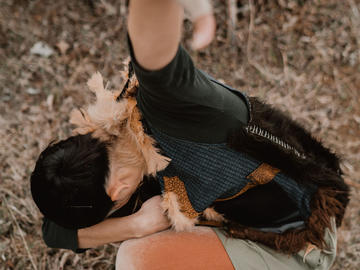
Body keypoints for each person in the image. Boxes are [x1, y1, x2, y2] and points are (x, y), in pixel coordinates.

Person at [30, 0, 349, 269]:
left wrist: (194, 9)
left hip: (297, 242)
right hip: (236, 228)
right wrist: (137, 224)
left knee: (137, 259)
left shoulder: (171, 111)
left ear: (119, 189)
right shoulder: (114, 145)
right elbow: (54, 231)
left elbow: (152, 58)